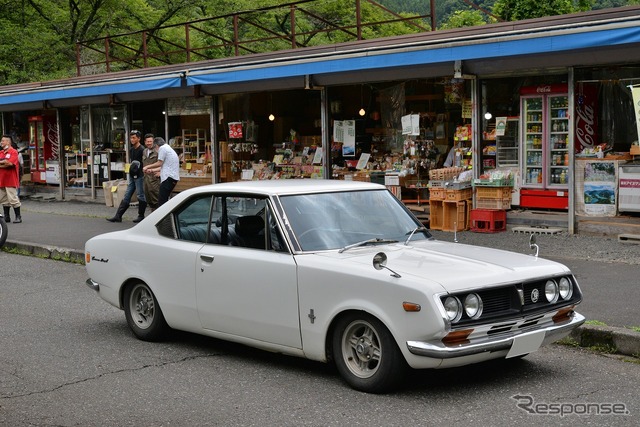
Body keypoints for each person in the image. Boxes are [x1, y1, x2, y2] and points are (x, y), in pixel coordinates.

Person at [107, 130, 147, 223]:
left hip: (140, 175)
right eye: (131, 138)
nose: (132, 140)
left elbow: (145, 162)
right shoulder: (131, 149)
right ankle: (118, 216)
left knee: (140, 195)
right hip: (133, 175)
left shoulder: (142, 149)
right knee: (127, 194)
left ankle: (141, 216)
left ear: (139, 138)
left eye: (134, 138)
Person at [143, 137, 180, 207]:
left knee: (162, 201)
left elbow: (159, 163)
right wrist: (152, 170)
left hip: (168, 178)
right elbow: (163, 166)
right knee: (163, 199)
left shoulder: (163, 148)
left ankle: (164, 217)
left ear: (156, 145)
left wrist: (147, 167)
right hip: (172, 177)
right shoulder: (168, 148)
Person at [0, 135, 22, 223]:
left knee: (13, 198)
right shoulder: (1, 152)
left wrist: (4, 163)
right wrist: (3, 163)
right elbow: (5, 163)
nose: (1, 142)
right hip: (1, 179)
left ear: (8, 142)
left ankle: (18, 216)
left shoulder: (13, 152)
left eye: (3, 141)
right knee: (4, 199)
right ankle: (7, 217)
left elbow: (9, 164)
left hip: (10, 179)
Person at [142, 133, 160, 212]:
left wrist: (160, 172)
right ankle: (153, 218)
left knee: (156, 199)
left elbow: (162, 163)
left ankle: (160, 218)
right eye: (147, 141)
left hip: (155, 179)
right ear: (145, 142)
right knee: (148, 199)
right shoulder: (144, 151)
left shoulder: (158, 151)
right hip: (146, 178)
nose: (149, 143)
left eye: (150, 141)